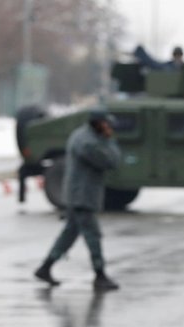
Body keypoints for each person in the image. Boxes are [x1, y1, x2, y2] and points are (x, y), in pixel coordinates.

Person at [34, 108, 122, 291]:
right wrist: (109, 140)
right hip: (82, 196)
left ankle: (45, 267)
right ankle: (100, 275)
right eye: (107, 124)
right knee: (93, 235)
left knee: (69, 234)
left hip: (79, 195)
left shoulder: (82, 136)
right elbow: (111, 161)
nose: (110, 127)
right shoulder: (89, 142)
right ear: (98, 124)